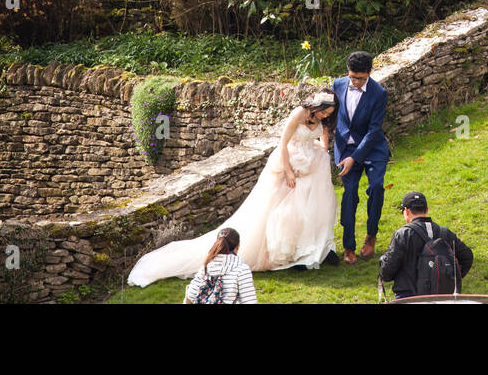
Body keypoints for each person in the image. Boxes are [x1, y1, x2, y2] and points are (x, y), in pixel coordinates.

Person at [128, 90, 340, 287]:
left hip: (311, 165)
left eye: (328, 114)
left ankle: (309, 250)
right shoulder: (300, 112)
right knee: (284, 211)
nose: (323, 116)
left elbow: (323, 136)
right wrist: (289, 171)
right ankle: (287, 253)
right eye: (323, 111)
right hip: (290, 162)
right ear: (315, 105)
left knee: (310, 208)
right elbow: (283, 143)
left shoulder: (323, 120)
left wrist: (321, 151)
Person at [332, 51, 390, 263]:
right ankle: (348, 245)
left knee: (375, 187)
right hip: (345, 149)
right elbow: (329, 116)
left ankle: (371, 236)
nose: (355, 82)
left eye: (361, 78)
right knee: (349, 193)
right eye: (352, 77)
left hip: (372, 148)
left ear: (370, 73)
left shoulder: (379, 93)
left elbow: (374, 131)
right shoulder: (337, 85)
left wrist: (355, 158)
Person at [378, 191, 474, 299]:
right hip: (442, 298)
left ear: (406, 211)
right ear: (427, 210)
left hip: (409, 298)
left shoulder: (403, 234)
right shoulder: (446, 233)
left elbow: (387, 273)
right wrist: (449, 277)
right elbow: (467, 256)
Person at [183, 228, 258, 304]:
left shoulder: (207, 265)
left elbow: (191, 295)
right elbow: (250, 301)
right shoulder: (242, 270)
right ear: (237, 246)